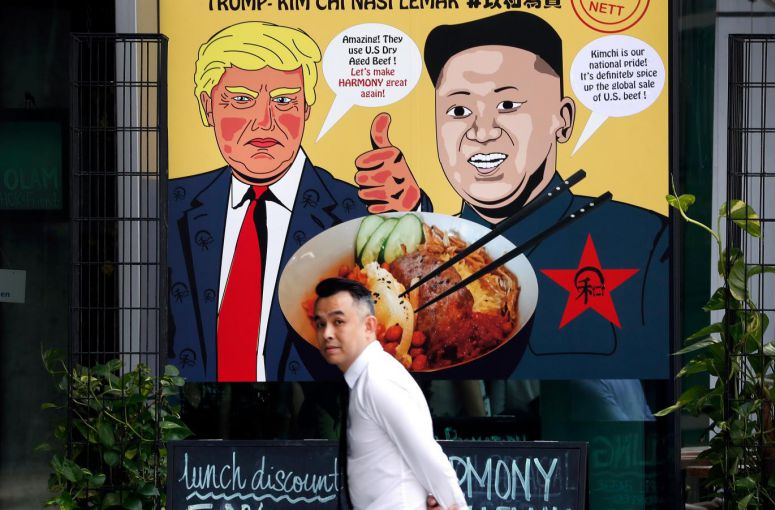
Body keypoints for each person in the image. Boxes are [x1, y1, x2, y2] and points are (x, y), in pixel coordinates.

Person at [373, 12, 669, 378]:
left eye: (508, 106)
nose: (482, 131)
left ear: (562, 119)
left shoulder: (645, 240)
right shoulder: (425, 248)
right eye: (459, 110)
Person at [168, 22, 425, 382]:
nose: (264, 122)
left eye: (284, 101)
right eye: (241, 99)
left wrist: (413, 209)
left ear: (306, 108)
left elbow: (423, 280)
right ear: (208, 107)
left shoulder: (356, 210)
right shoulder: (170, 204)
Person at [313, 278, 467, 510]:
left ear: (369, 327)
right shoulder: (366, 377)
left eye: (338, 322)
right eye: (320, 324)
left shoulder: (378, 379)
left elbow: (428, 457)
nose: (327, 333)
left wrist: (456, 506)